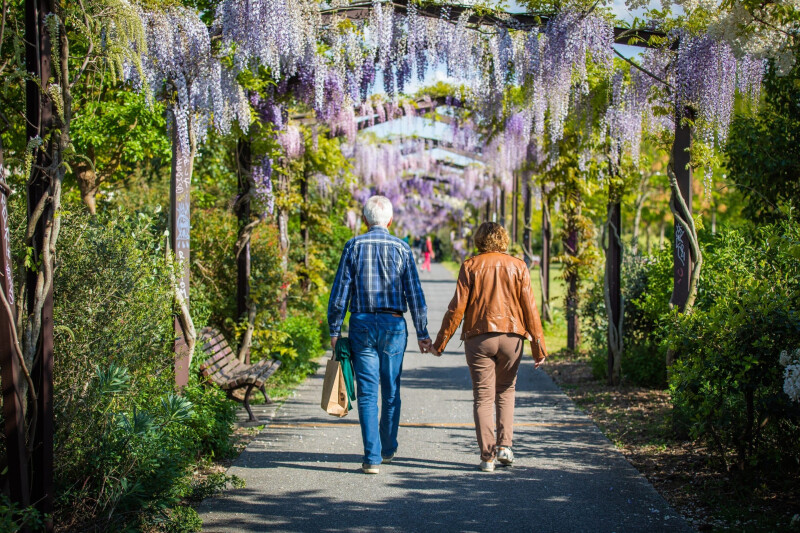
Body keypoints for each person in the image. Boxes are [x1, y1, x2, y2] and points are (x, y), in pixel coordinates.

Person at [430, 222, 547, 472]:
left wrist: (440, 344)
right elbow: (530, 310)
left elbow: (456, 309)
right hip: (512, 337)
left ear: (479, 240)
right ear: (504, 239)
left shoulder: (470, 266)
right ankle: (505, 447)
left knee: (483, 396)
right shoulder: (518, 266)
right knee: (505, 390)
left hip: (479, 337)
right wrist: (539, 347)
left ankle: (487, 458)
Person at [328, 195, 432, 474]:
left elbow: (340, 293)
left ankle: (371, 458)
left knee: (367, 392)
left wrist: (335, 330)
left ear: (364, 220)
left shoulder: (354, 246)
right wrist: (422, 331)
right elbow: (415, 294)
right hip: (393, 325)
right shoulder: (403, 248)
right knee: (391, 388)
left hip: (361, 324)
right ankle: (388, 447)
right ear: (390, 220)